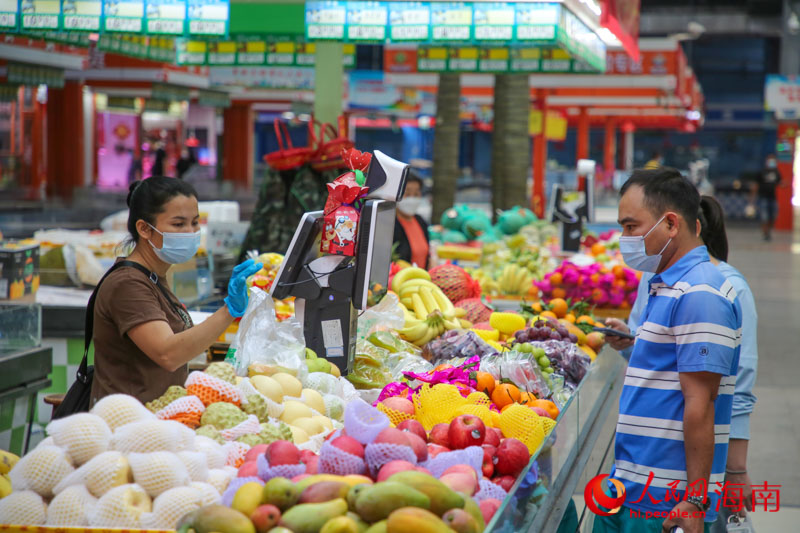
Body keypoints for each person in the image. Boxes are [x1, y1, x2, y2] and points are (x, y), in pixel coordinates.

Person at [593, 168, 741, 533]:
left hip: (664, 503)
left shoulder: (700, 294)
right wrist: (636, 341)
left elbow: (701, 403)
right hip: (629, 489)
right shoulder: (667, 285)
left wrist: (694, 500)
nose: (624, 239)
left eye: (631, 227)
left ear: (671, 224)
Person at [90, 177, 261, 404]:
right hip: (128, 422)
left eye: (195, 222)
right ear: (144, 229)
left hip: (158, 416)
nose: (190, 232)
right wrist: (229, 310)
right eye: (178, 224)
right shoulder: (128, 284)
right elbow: (168, 354)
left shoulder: (154, 276)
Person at [393, 172, 430, 268]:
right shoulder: (390, 225)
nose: (412, 198)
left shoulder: (420, 221)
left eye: (416, 194)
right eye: (407, 194)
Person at [752, 154, 782, 241]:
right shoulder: (761, 172)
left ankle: (768, 231)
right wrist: (753, 197)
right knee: (764, 216)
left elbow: (780, 182)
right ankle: (765, 233)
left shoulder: (776, 172)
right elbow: (756, 185)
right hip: (763, 197)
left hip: (773, 198)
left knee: (773, 216)